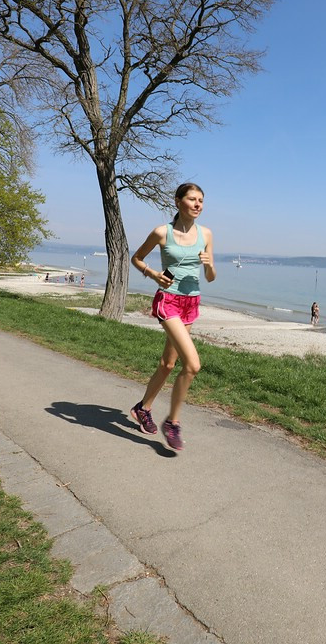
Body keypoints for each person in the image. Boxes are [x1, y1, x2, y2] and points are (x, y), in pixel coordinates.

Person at [129, 183, 216, 452]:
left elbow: (211, 278)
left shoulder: (207, 234)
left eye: (201, 200)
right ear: (178, 201)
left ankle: (143, 408)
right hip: (169, 301)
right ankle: (173, 422)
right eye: (193, 199)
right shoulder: (161, 232)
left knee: (168, 364)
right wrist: (154, 274)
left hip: (192, 302)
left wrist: (209, 264)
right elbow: (137, 258)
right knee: (192, 365)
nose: (198, 204)